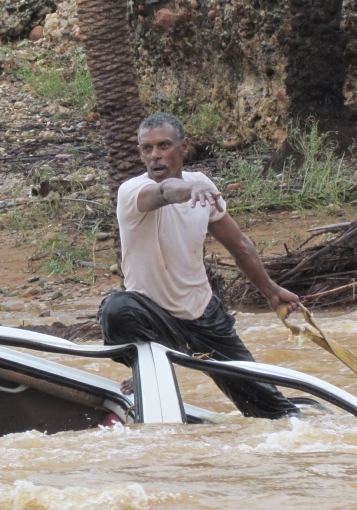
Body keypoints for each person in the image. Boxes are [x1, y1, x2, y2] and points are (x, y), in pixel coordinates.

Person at [99, 112, 301, 419]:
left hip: (204, 317)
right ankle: (149, 367)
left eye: (163, 145)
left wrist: (271, 291)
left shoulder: (203, 186)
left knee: (275, 411)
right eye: (147, 148)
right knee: (115, 310)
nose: (155, 155)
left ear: (183, 147)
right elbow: (165, 191)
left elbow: (240, 245)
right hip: (152, 318)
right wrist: (189, 191)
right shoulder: (132, 191)